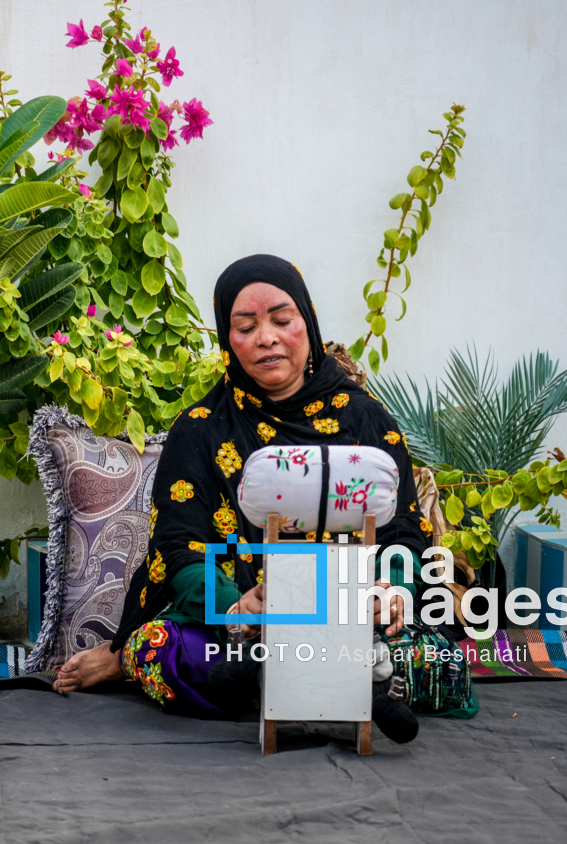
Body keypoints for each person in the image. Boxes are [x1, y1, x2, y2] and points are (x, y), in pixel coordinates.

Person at [52, 254, 476, 742]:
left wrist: (392, 591)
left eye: (281, 320)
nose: (266, 338)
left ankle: (274, 686)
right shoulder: (200, 430)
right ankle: (317, 686)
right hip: (239, 629)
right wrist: (241, 609)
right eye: (246, 326)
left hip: (354, 617)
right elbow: (179, 548)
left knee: (435, 663)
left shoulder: (365, 421)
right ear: (227, 338)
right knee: (162, 649)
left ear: (308, 324)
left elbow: (404, 531)